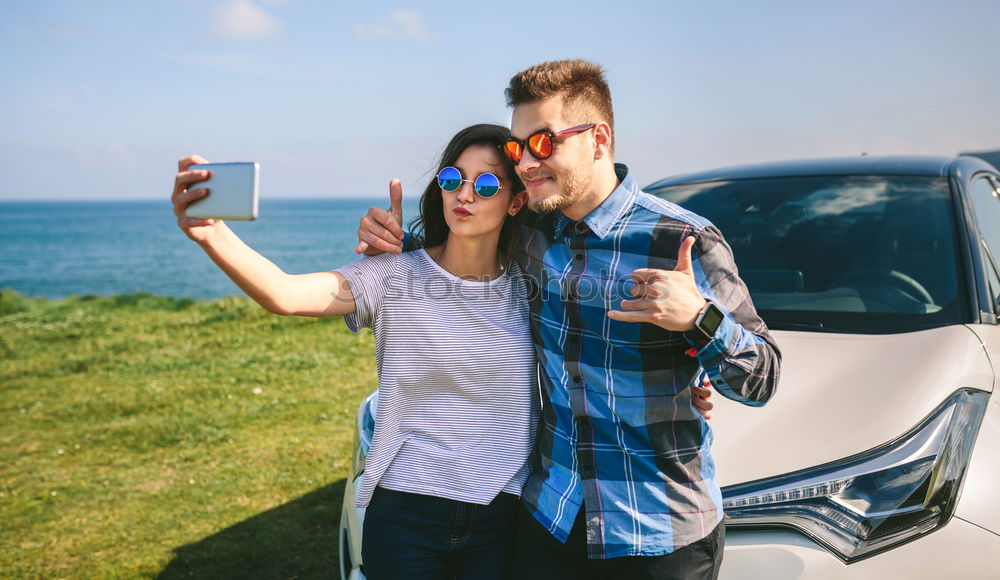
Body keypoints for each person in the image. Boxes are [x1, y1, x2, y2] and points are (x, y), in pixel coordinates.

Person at [356, 59, 780, 579]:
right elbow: (465, 261)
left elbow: (763, 378)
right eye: (517, 149)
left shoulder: (680, 241)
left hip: (656, 534)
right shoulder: (531, 231)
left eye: (542, 143)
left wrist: (699, 319)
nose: (526, 164)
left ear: (598, 139)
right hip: (547, 523)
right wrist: (395, 247)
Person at [171, 124, 538, 580]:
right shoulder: (390, 275)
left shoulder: (531, 286)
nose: (464, 194)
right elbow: (285, 294)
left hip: (500, 515)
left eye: (485, 184)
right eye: (451, 178)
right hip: (406, 514)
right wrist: (211, 234)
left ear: (517, 200)